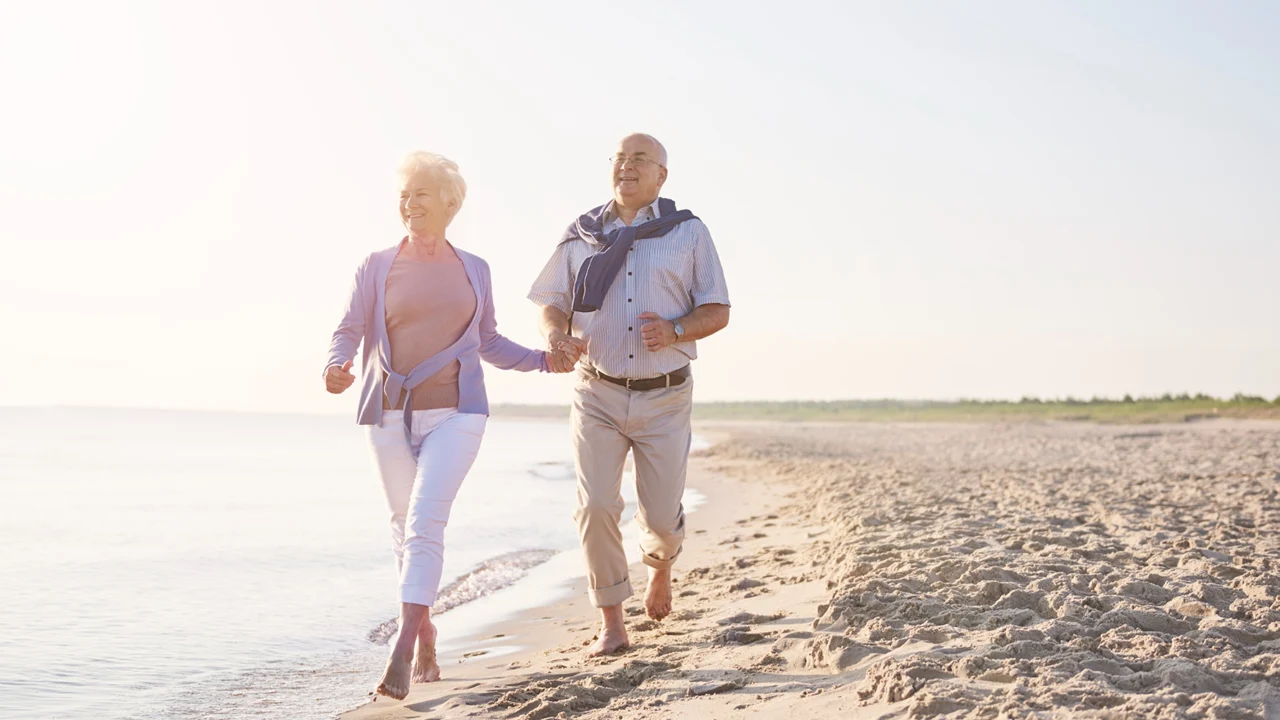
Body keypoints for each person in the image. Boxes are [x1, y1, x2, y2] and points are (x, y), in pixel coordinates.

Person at [323, 151, 578, 700]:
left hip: (458, 413)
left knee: (423, 522)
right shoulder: (376, 265)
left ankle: (402, 647)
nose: (408, 204)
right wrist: (335, 363)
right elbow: (349, 329)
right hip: (387, 411)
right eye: (403, 195)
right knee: (402, 525)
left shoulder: (475, 269)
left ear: (450, 203)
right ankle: (427, 630)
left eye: (420, 194)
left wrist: (542, 360)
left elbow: (487, 342)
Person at [528, 133, 731, 655]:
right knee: (595, 504)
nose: (628, 166)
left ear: (662, 176)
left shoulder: (687, 232)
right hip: (596, 390)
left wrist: (677, 330)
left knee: (661, 518)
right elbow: (551, 298)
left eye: (641, 159)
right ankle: (612, 624)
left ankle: (660, 567)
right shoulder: (582, 234)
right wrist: (555, 335)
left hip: (664, 395)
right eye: (620, 158)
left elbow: (718, 309)